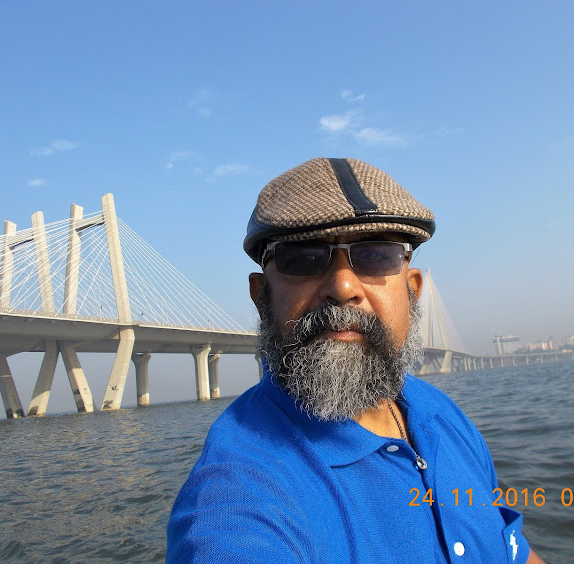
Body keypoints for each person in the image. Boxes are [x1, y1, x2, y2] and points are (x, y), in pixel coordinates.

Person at [166, 157, 545, 563]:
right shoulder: (240, 492)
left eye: (376, 256)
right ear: (262, 298)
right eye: (303, 259)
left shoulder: (443, 416)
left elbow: (514, 551)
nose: (343, 286)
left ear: (413, 292)